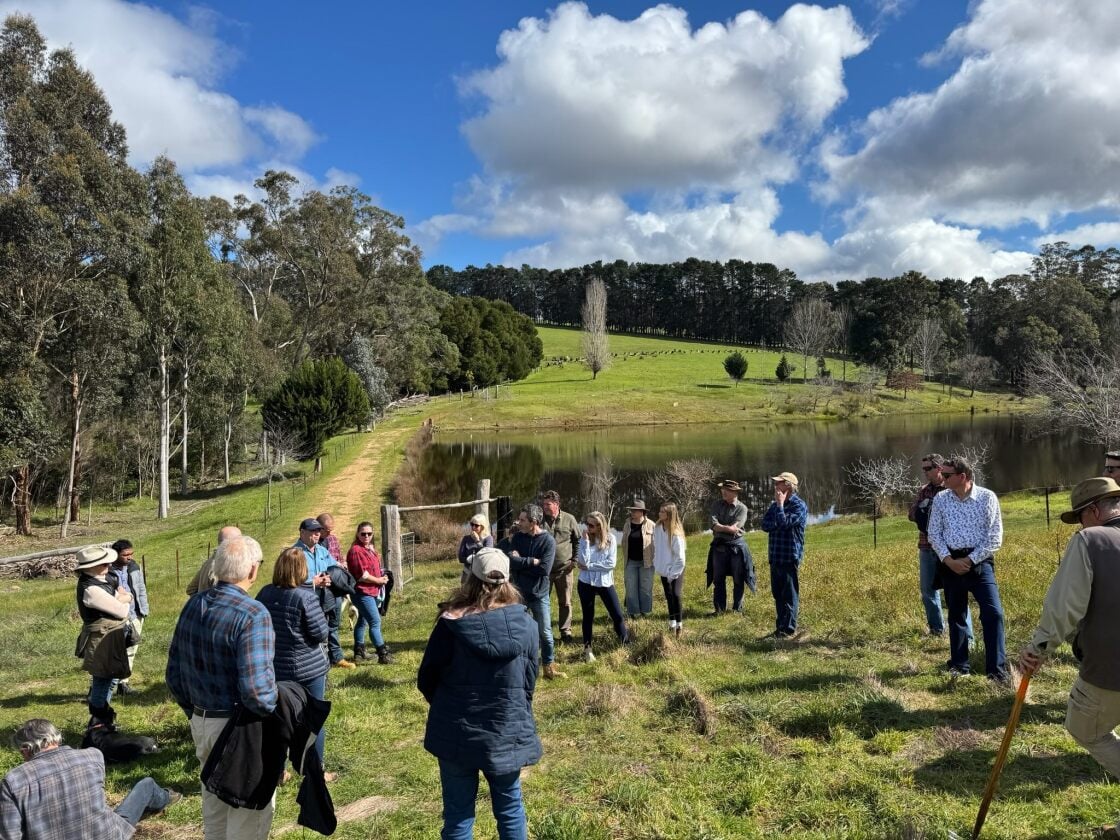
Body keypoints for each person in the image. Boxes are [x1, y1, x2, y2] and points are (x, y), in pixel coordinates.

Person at [418, 547, 541, 840]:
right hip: (506, 728)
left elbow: (427, 678)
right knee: (510, 807)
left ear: (470, 579)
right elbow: (529, 680)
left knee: (458, 814)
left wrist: (448, 706)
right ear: (508, 581)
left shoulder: (451, 624)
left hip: (457, 730)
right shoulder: (528, 624)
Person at [1020, 477, 1120, 831]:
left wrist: (1038, 649)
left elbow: (1065, 608)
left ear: (1093, 511)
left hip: (1111, 669)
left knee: (1085, 729)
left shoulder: (1091, 540)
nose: (1079, 524)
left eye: (1080, 516)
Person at [166, 535, 278, 839]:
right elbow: (258, 694)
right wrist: (280, 708)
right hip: (239, 729)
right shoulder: (253, 614)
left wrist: (195, 712)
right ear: (253, 570)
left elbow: (173, 675)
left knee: (214, 812)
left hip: (202, 721)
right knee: (247, 819)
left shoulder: (194, 605)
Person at [0, 718, 180, 838]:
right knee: (146, 785)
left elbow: (9, 835)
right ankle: (168, 796)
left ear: (25, 749)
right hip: (106, 835)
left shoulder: (14, 781)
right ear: (57, 738)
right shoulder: (93, 756)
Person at [927, 455, 1009, 682]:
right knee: (956, 615)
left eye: (946, 475)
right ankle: (960, 666)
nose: (941, 478)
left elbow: (995, 537)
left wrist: (971, 560)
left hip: (980, 562)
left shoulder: (987, 497)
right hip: (950, 563)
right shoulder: (941, 499)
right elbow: (934, 534)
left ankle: (997, 671)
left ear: (962, 476)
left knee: (993, 614)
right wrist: (949, 560)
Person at [256, 548, 331, 767]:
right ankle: (314, 769)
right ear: (302, 570)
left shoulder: (264, 594)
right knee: (312, 719)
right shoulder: (305, 598)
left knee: (279, 719)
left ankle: (278, 769)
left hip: (277, 668)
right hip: (309, 669)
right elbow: (320, 632)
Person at [907, 455, 973, 642]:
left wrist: (931, 511)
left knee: (956, 592)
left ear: (938, 468)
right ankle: (937, 629)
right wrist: (923, 509)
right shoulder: (924, 491)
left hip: (950, 549)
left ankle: (965, 636)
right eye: (924, 469)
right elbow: (911, 514)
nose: (925, 472)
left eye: (928, 468)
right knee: (928, 590)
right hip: (927, 546)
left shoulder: (952, 488)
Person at [74, 545, 133, 726]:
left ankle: (102, 720)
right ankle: (99, 721)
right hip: (101, 638)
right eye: (103, 564)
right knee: (102, 679)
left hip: (110, 635)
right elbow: (122, 610)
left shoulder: (102, 580)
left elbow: (124, 596)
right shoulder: (91, 589)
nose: (108, 565)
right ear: (90, 567)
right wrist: (125, 597)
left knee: (111, 676)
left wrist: (123, 596)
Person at [508, 504, 565, 680]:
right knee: (518, 631)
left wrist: (521, 562)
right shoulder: (518, 537)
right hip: (518, 593)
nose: (519, 522)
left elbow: (544, 570)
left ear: (534, 522)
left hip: (539, 594)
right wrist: (531, 561)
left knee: (545, 634)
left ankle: (549, 667)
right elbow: (510, 561)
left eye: (523, 520)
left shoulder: (548, 541)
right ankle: (518, 667)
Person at [295, 518, 354, 670]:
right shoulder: (295, 553)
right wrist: (313, 582)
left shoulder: (321, 550)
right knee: (313, 631)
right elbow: (290, 581)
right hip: (307, 600)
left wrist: (336, 573)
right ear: (302, 532)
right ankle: (317, 662)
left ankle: (337, 658)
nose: (316, 534)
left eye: (318, 531)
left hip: (328, 596)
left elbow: (334, 566)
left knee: (332, 627)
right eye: (312, 531)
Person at [576, 510, 629, 662]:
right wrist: (585, 542)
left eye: (591, 525)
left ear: (600, 526)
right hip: (586, 582)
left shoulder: (611, 539)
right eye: (586, 523)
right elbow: (582, 562)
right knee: (588, 616)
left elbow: (610, 564)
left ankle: (625, 642)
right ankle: (588, 649)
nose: (587, 527)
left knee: (617, 614)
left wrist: (590, 566)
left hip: (605, 582)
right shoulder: (584, 539)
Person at [761, 472, 809, 639]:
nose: (776, 486)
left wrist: (780, 507)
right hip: (775, 555)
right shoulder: (774, 505)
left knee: (789, 594)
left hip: (789, 555)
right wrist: (778, 515)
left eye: (779, 483)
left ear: (788, 485)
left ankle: (788, 630)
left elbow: (785, 523)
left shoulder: (798, 505)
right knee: (778, 594)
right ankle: (780, 628)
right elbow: (764, 525)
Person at [346, 521, 393, 664]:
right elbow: (362, 575)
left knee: (363, 620)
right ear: (357, 534)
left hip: (371, 591)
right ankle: (382, 654)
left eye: (369, 533)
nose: (366, 536)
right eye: (363, 533)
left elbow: (374, 568)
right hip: (362, 592)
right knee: (375, 621)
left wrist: (383, 576)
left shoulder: (369, 549)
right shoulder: (356, 550)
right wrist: (379, 580)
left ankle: (359, 652)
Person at [706, 480, 754, 615]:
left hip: (736, 548)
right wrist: (727, 528)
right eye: (722, 489)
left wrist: (721, 527)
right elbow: (713, 524)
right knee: (718, 579)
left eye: (726, 490)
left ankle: (737, 609)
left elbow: (736, 528)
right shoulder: (716, 505)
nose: (723, 492)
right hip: (719, 547)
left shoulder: (742, 508)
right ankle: (719, 610)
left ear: (734, 492)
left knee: (738, 578)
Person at [540, 490, 580, 645]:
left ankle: (565, 631)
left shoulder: (570, 519)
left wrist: (574, 561)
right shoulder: (539, 520)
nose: (545, 507)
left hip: (565, 569)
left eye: (548, 504)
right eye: (543, 504)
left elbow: (578, 541)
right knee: (542, 601)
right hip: (544, 570)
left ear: (556, 505)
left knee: (565, 602)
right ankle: (543, 631)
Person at [108, 539, 148, 697]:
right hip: (116, 616)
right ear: (116, 554)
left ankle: (124, 683)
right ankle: (106, 684)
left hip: (134, 615)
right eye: (125, 555)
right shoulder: (107, 571)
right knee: (113, 652)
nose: (129, 557)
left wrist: (143, 609)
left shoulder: (133, 567)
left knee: (131, 650)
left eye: (131, 554)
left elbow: (141, 587)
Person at [316, 513, 349, 670]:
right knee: (321, 625)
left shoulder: (333, 539)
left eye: (331, 530)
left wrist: (343, 564)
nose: (329, 533)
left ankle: (337, 657)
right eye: (327, 530)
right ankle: (322, 659)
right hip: (320, 591)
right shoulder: (314, 544)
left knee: (334, 625)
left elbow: (339, 557)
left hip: (335, 589)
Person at [653, 503, 687, 638]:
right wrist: (658, 564)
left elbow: (680, 559)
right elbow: (658, 547)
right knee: (668, 596)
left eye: (662, 512)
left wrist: (672, 574)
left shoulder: (676, 534)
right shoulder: (658, 528)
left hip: (676, 568)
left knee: (676, 594)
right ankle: (672, 623)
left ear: (669, 515)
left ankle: (679, 625)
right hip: (664, 569)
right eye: (660, 511)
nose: (659, 514)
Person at [621, 499, 656, 619]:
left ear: (642, 512)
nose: (632, 512)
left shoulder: (651, 525)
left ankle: (645, 612)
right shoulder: (627, 524)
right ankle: (633, 613)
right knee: (630, 587)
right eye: (631, 510)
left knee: (645, 588)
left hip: (646, 562)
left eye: (635, 510)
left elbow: (657, 544)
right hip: (630, 561)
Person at [186, 525, 242, 596]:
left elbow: (191, 589)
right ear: (231, 544)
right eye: (240, 541)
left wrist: (201, 602)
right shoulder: (222, 568)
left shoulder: (208, 563)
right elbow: (222, 598)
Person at [458, 514, 494, 584]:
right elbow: (460, 558)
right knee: (465, 593)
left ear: (482, 527)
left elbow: (487, 556)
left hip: (481, 574)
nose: (473, 527)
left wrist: (477, 541)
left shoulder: (488, 539)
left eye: (476, 525)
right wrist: (471, 560)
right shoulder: (466, 538)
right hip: (467, 572)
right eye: (472, 524)